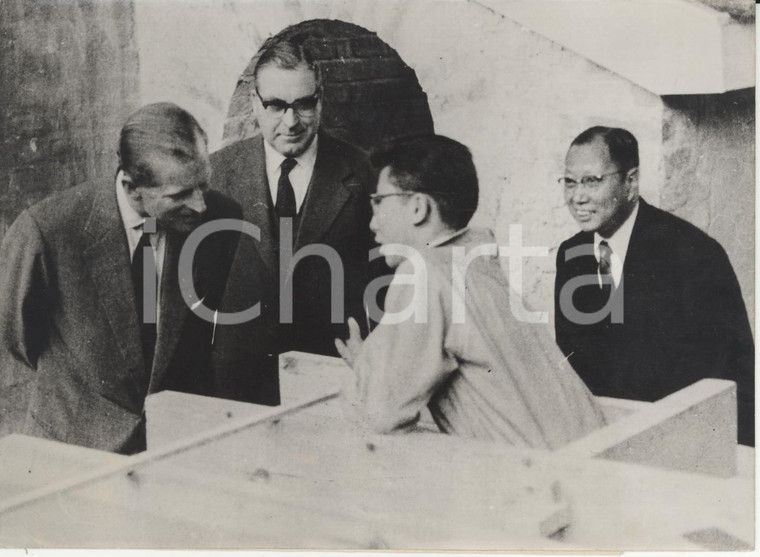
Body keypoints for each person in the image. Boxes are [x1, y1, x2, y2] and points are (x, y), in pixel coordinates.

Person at [0, 103, 246, 454]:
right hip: (77, 446)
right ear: (132, 188)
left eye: (203, 186)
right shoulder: (47, 231)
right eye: (179, 195)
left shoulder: (221, 220)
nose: (200, 205)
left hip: (174, 442)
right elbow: (17, 337)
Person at [335, 135, 606, 449]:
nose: (372, 222)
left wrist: (368, 365)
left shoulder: (423, 272)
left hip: (534, 484)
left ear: (418, 207)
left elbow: (378, 416)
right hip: (585, 465)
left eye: (379, 202)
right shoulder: (476, 260)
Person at [554, 126, 754, 446]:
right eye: (570, 181)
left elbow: (728, 378)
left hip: (679, 444)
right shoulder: (572, 255)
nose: (578, 196)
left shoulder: (694, 254)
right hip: (603, 441)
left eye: (592, 181)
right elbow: (574, 363)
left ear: (631, 181)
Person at [211, 31, 382, 358]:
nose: (291, 122)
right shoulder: (215, 175)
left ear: (321, 99)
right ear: (254, 103)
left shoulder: (365, 173)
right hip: (238, 379)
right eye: (275, 105)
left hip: (331, 370)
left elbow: (389, 284)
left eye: (304, 104)